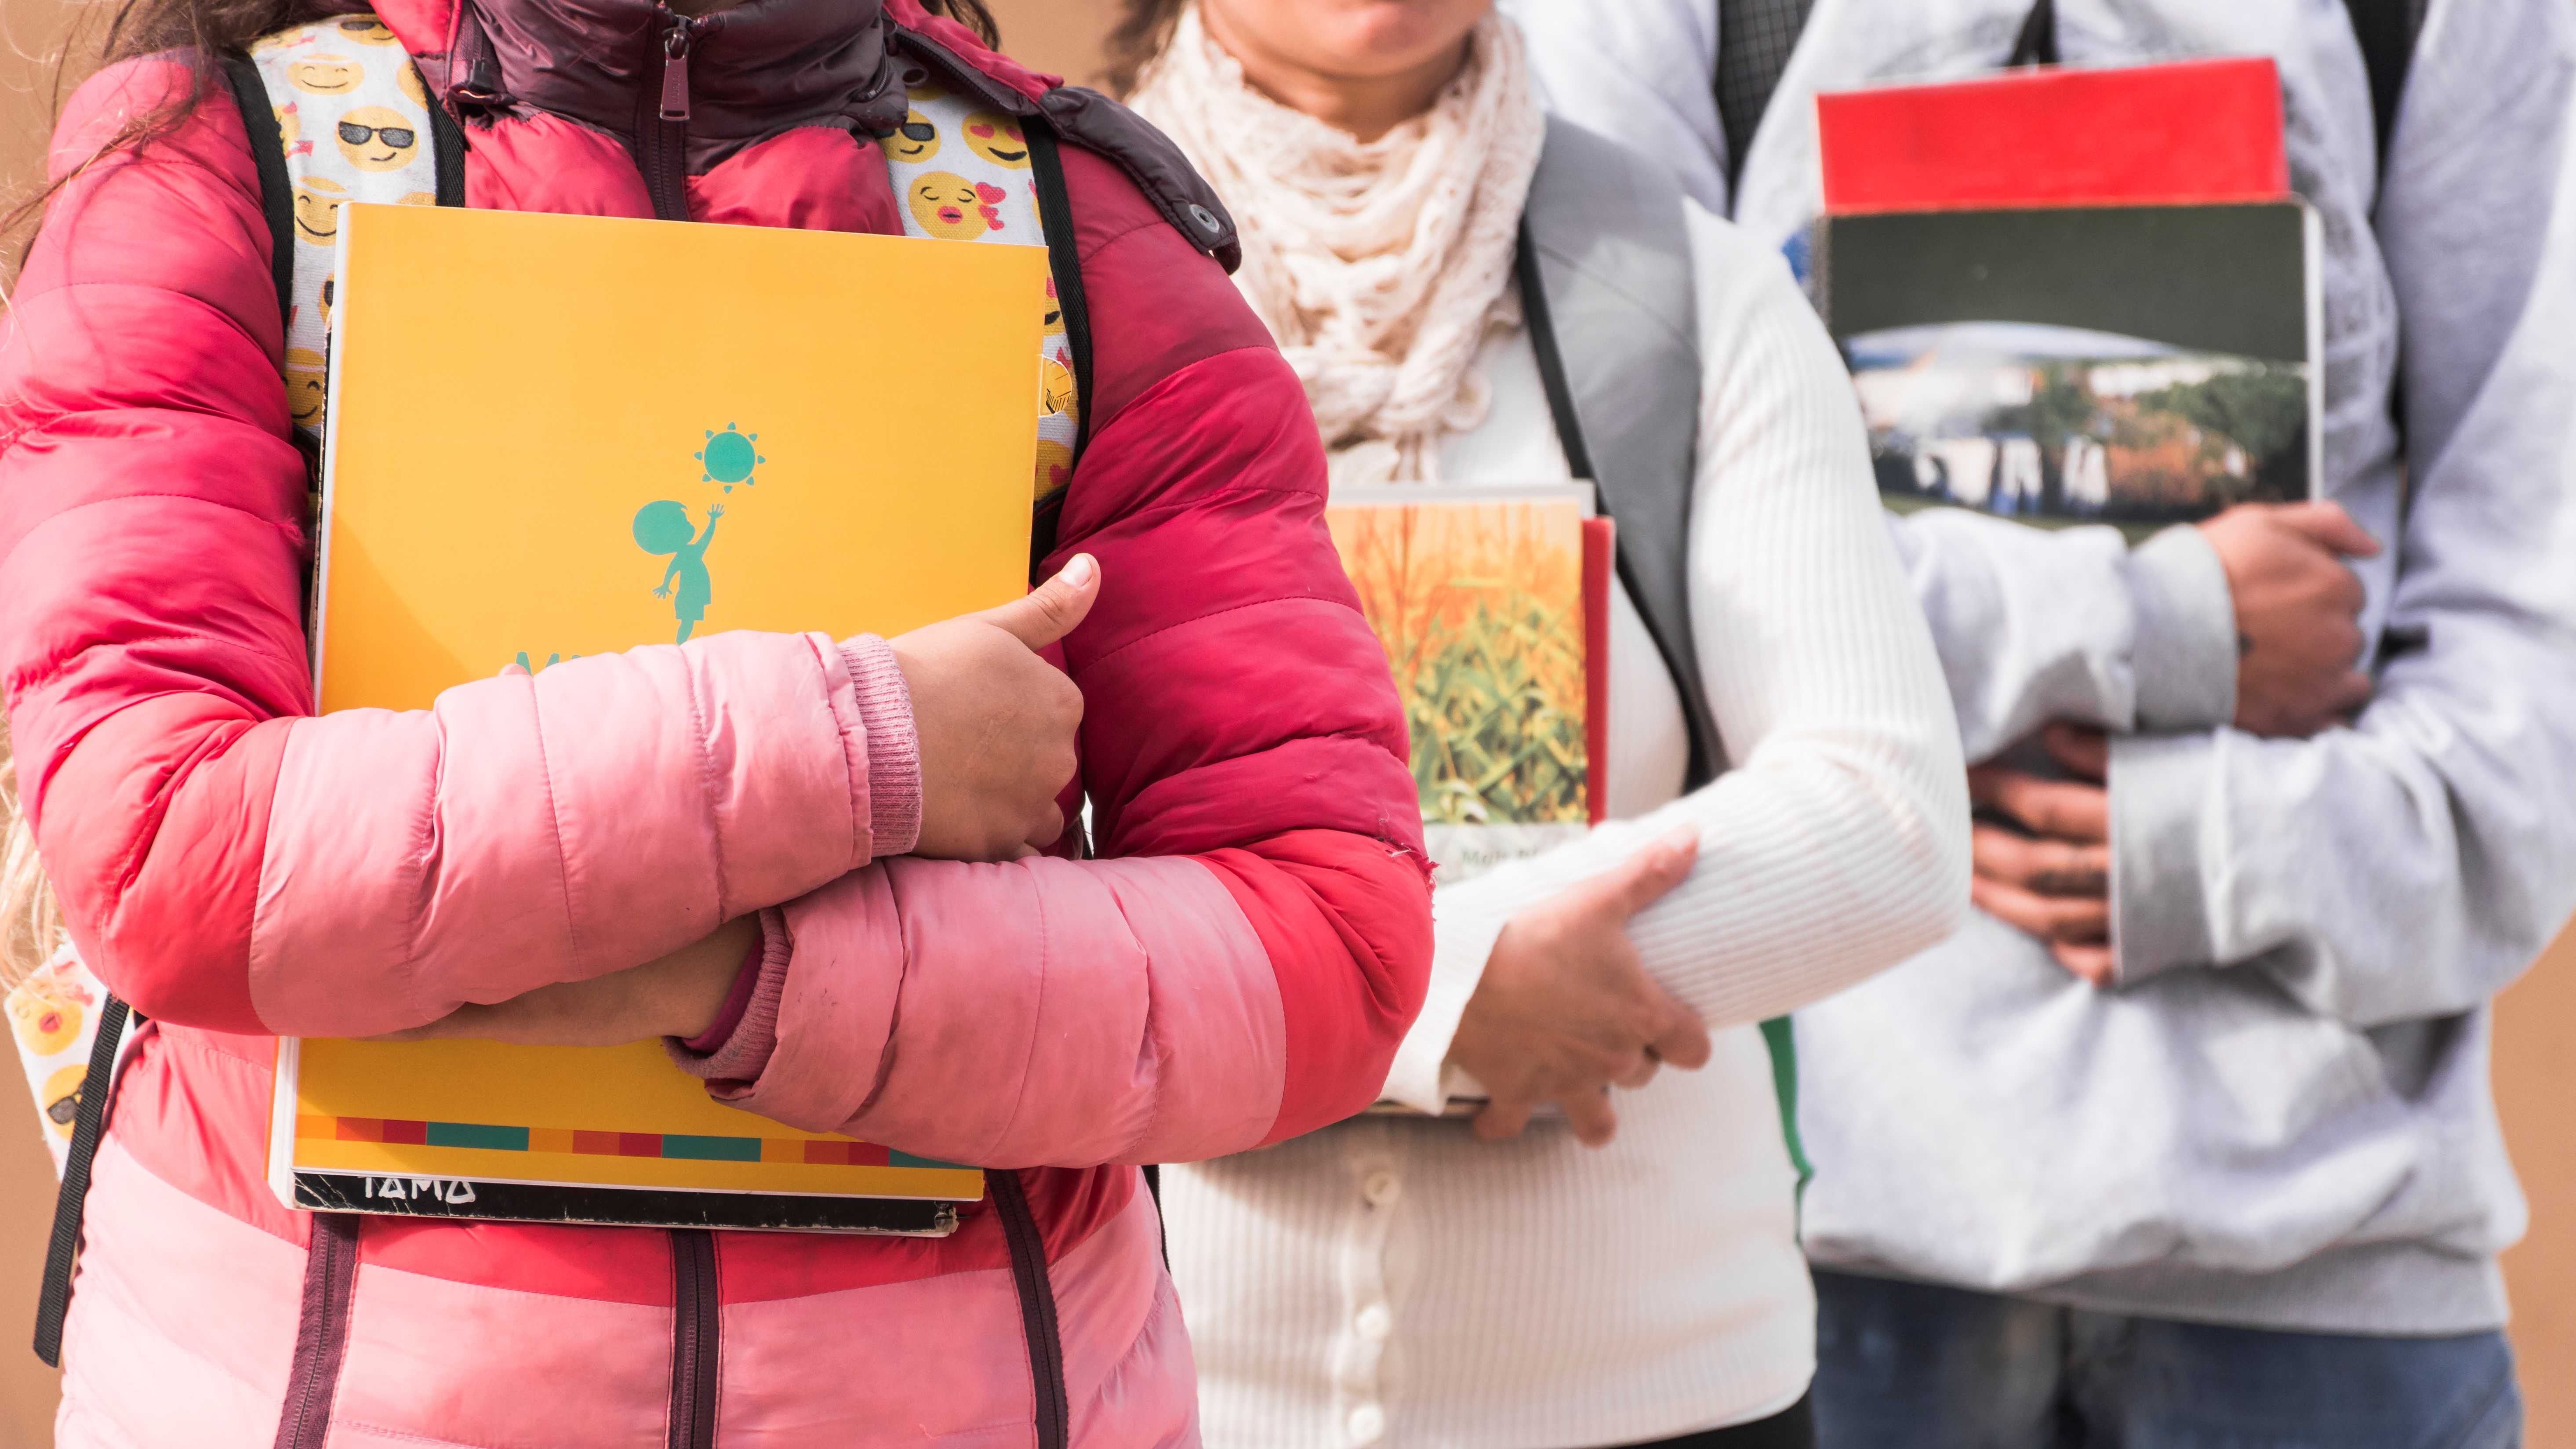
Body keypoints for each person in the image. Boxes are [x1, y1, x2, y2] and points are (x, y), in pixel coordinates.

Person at [0, 0, 1437, 1442]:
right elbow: (170, 851)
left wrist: (746, 977)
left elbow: (1325, 944)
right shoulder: (233, 164)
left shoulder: (1071, 220)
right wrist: (865, 740)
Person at [1504, 0, 2576, 1443]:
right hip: (1794, 1261)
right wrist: (2164, 620)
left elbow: (2539, 636)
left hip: (2332, 1271)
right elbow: (1633, 557)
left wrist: (2214, 847)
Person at [1115, 2, 1971, 1445]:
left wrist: (1461, 975)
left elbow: (1884, 822)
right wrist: (1435, 1003)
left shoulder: (1688, 293)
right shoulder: (1036, 270)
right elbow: (970, 822)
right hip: (1150, 1390)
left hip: (1669, 1397)